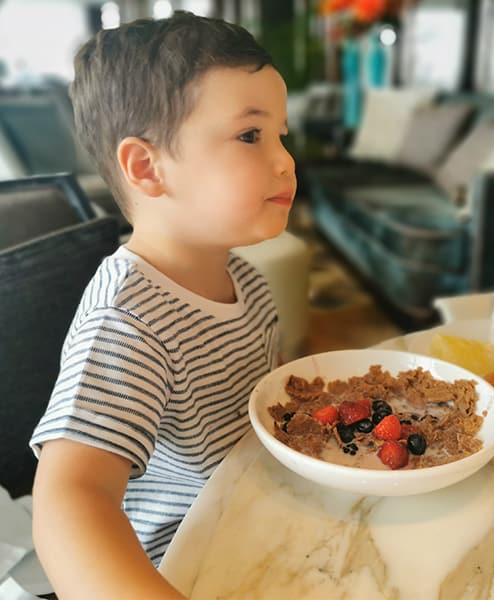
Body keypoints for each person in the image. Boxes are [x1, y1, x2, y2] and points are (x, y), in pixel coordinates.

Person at [30, 12, 295, 599]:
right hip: (181, 563)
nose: (285, 161)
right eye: (251, 136)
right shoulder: (129, 317)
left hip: (261, 515)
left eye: (283, 135)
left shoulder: (246, 281)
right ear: (147, 168)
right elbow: (72, 497)